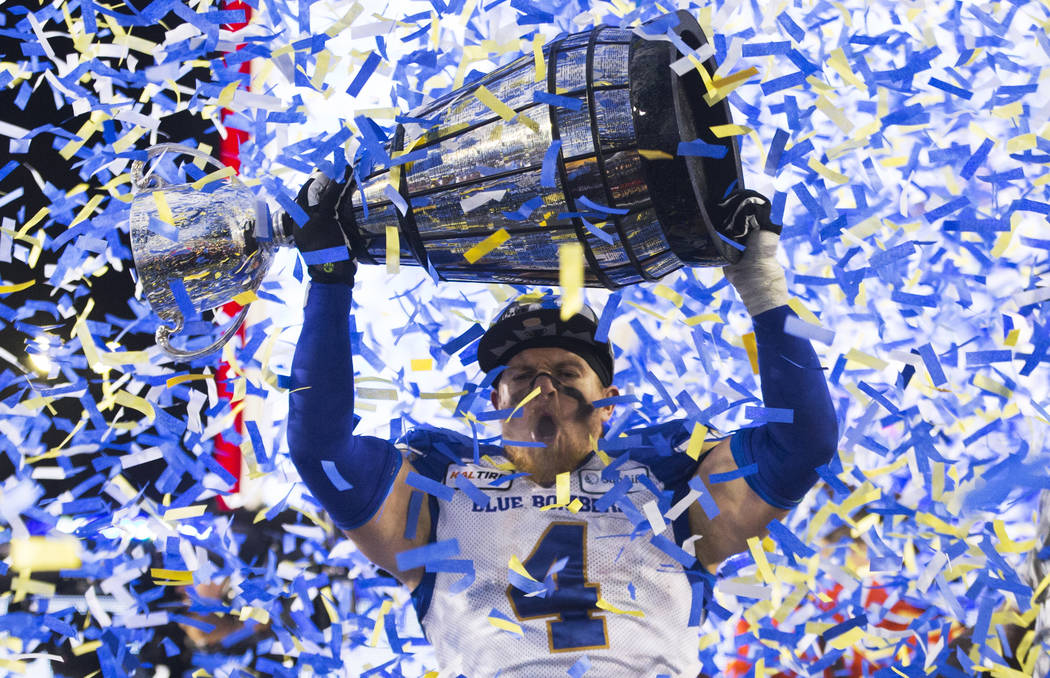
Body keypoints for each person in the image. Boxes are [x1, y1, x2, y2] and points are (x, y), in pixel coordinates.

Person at [284, 172, 838, 676]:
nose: (545, 386)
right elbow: (322, 451)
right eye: (523, 375)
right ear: (492, 402)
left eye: (567, 371)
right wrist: (329, 283)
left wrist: (761, 284)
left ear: (608, 403)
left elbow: (803, 443)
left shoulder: (670, 484)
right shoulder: (439, 491)